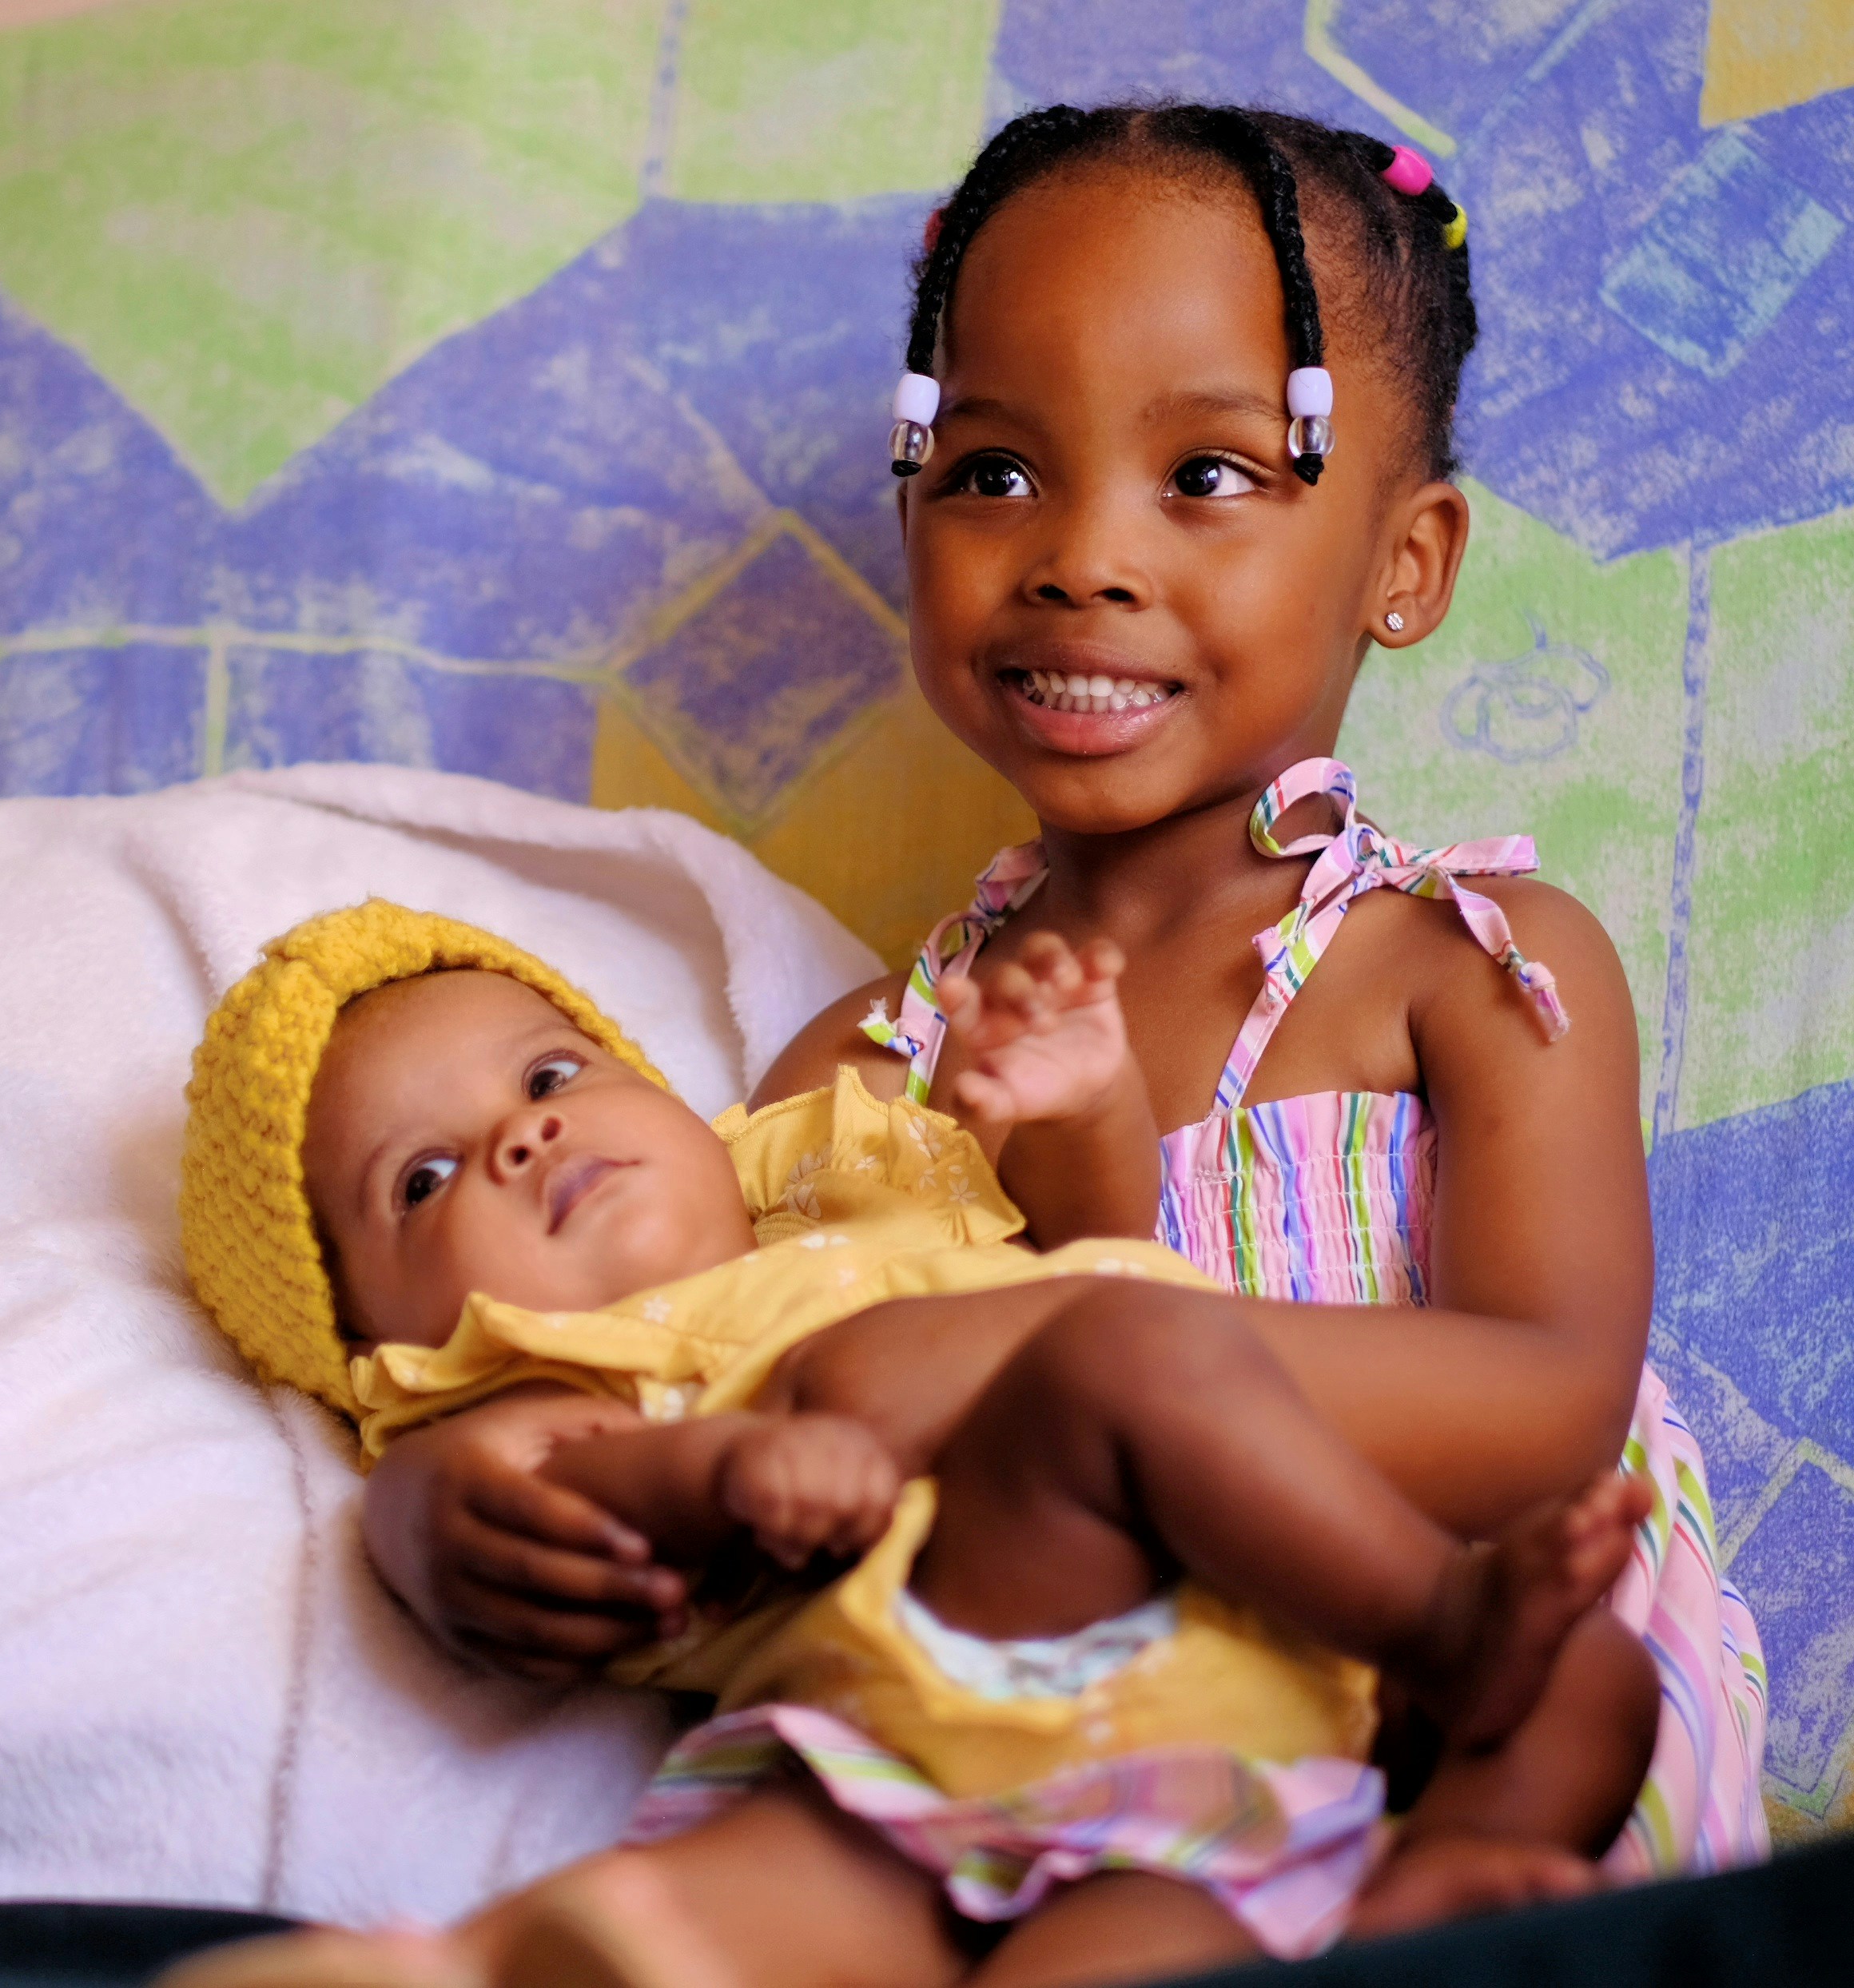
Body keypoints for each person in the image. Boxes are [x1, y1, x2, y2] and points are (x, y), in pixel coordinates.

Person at [362, 98, 1769, 1905]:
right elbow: (666, 1354)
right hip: (1060, 1773)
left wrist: (1025, 1346)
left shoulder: (1467, 966)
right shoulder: (868, 1065)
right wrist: (440, 1522)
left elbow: (1547, 1400)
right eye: (994, 469)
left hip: (1476, 1722)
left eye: (1209, 474)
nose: (1078, 555)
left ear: (1405, 563)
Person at [166, 901, 1657, 1985]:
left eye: (551, 1078)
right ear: (378, 1340)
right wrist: (722, 1473)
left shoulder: (838, 1184)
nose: (521, 1139)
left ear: (677, 1109)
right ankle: (1443, 1621)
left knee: (1599, 1675)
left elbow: (1090, 1232)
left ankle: (1437, 1877)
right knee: (1125, 1343)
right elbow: (520, 1485)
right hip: (954, 1665)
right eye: (423, 1182)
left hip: (1239, 1736)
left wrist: (1086, 1101)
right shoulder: (536, 1368)